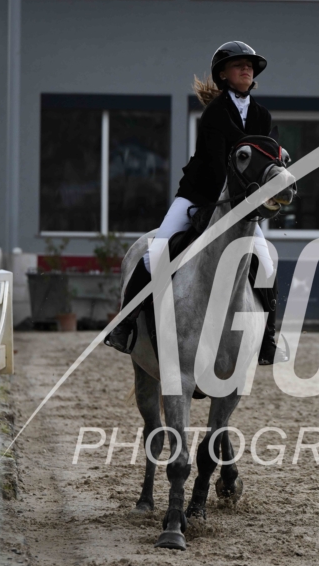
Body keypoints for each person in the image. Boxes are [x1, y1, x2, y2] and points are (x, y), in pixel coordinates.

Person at [107, 41, 289, 365]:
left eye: (250, 65)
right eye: (239, 65)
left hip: (240, 205)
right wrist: (219, 206)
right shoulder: (214, 113)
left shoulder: (262, 115)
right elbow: (218, 165)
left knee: (267, 264)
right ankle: (125, 325)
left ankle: (268, 340)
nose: (246, 69)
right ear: (224, 75)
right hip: (198, 195)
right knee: (156, 254)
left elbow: (259, 167)